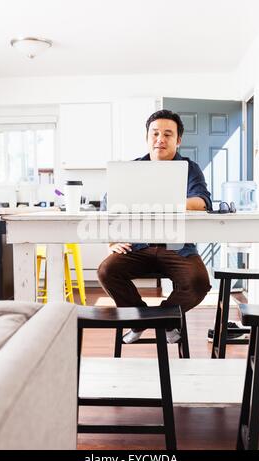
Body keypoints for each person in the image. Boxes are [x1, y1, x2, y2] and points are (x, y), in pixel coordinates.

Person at [98, 109, 212, 343]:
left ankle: (163, 319)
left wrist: (166, 202)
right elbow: (108, 205)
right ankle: (144, 320)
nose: (160, 139)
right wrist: (110, 241)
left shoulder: (190, 168)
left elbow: (202, 202)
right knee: (107, 271)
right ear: (147, 137)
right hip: (137, 245)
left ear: (178, 140)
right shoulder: (131, 169)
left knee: (199, 282)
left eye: (168, 134)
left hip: (177, 245)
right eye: (155, 133)